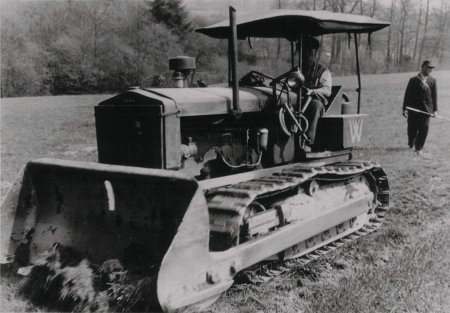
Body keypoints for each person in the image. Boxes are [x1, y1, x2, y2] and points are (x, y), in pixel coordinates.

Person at [300, 36, 332, 151]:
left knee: (315, 105)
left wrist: (311, 91)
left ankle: (308, 141)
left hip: (313, 105)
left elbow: (327, 91)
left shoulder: (323, 70)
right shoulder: (297, 71)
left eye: (310, 51)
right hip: (298, 103)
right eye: (304, 51)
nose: (306, 54)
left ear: (315, 53)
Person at [402, 60, 438, 155]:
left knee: (424, 128)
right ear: (423, 67)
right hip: (414, 109)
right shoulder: (413, 80)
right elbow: (407, 95)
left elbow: (434, 96)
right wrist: (404, 109)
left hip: (427, 110)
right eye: (428, 68)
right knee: (412, 128)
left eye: (431, 68)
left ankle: (419, 148)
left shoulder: (432, 81)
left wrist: (435, 110)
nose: (430, 70)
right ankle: (411, 143)